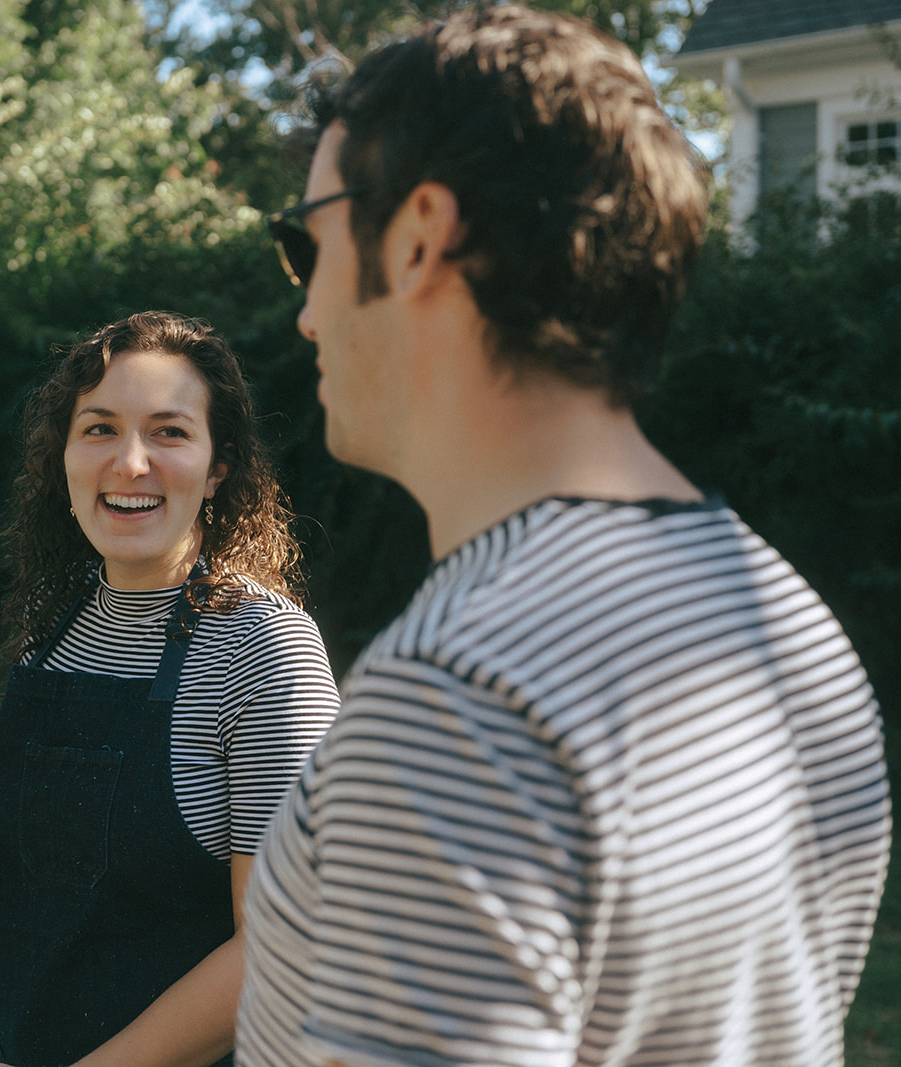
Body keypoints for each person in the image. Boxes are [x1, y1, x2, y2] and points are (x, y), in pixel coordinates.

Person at [238, 7, 891, 1067]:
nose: (305, 310)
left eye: (303, 242)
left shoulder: (457, 696)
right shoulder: (786, 626)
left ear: (415, 238)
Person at [0, 310, 341, 1067]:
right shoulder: (56, 618)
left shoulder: (264, 650)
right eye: (98, 428)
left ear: (219, 467)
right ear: (63, 455)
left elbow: (286, 943)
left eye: (169, 431)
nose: (129, 462)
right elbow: (133, 845)